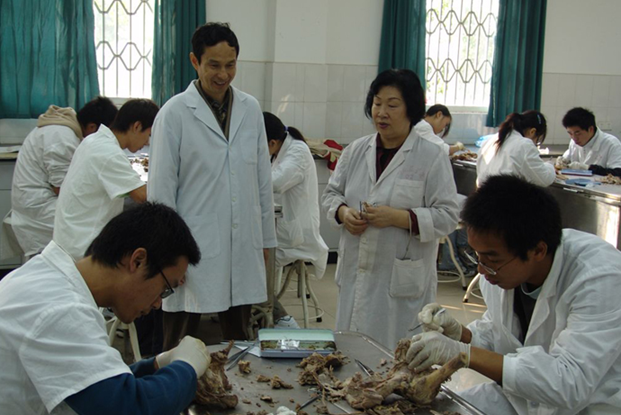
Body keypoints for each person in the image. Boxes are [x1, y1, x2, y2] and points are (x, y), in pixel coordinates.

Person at [406, 175, 621, 415]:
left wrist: (462, 354)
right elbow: (499, 334)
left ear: (538, 250)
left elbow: (570, 383)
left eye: (491, 259)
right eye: (477, 256)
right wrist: (460, 334)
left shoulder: (600, 278)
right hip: (523, 399)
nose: (480, 269)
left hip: (590, 406)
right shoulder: (499, 272)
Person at [0, 202, 209, 415]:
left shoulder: (49, 280)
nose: (157, 303)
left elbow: (96, 384)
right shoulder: (61, 309)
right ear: (137, 261)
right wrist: (186, 367)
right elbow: (128, 408)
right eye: (165, 288)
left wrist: (154, 365)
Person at [148, 22, 276, 346]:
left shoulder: (250, 110)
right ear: (195, 61)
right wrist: (167, 254)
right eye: (214, 65)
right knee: (180, 341)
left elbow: (262, 183)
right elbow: (161, 192)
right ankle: (176, 393)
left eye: (230, 65)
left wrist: (264, 243)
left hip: (242, 243)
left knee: (239, 342)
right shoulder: (174, 114)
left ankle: (240, 395)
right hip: (189, 246)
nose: (223, 74)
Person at [321, 69, 459, 350]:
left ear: (412, 109)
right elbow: (331, 194)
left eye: (392, 105)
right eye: (377, 103)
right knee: (352, 355)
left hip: (401, 281)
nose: (381, 112)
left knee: (397, 360)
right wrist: (343, 213)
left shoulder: (431, 156)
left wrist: (398, 217)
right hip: (357, 269)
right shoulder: (357, 150)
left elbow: (447, 216)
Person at [10, 97, 118, 258]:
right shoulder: (62, 136)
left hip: (40, 203)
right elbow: (62, 188)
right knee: (97, 223)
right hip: (40, 208)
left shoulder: (65, 130)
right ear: (92, 127)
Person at [53, 99, 158, 260]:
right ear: (136, 127)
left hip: (70, 237)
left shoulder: (94, 141)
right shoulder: (108, 153)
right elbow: (143, 197)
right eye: (149, 135)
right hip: (83, 246)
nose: (147, 142)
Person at [263, 112, 329, 329]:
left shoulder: (297, 152)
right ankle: (260, 307)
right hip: (285, 227)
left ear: (272, 142)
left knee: (256, 260)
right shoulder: (282, 150)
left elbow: (276, 182)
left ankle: (275, 315)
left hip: (298, 235)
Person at [477, 110, 555, 187]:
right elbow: (544, 179)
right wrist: (550, 165)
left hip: (482, 196)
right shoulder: (524, 145)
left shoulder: (491, 140)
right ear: (532, 132)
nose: (535, 144)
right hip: (503, 197)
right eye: (537, 140)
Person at [558, 107, 621, 177]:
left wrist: (588, 168)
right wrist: (562, 162)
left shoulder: (612, 144)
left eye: (578, 133)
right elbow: (567, 158)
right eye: (570, 133)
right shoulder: (574, 142)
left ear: (590, 129)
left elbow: (618, 173)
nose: (574, 138)